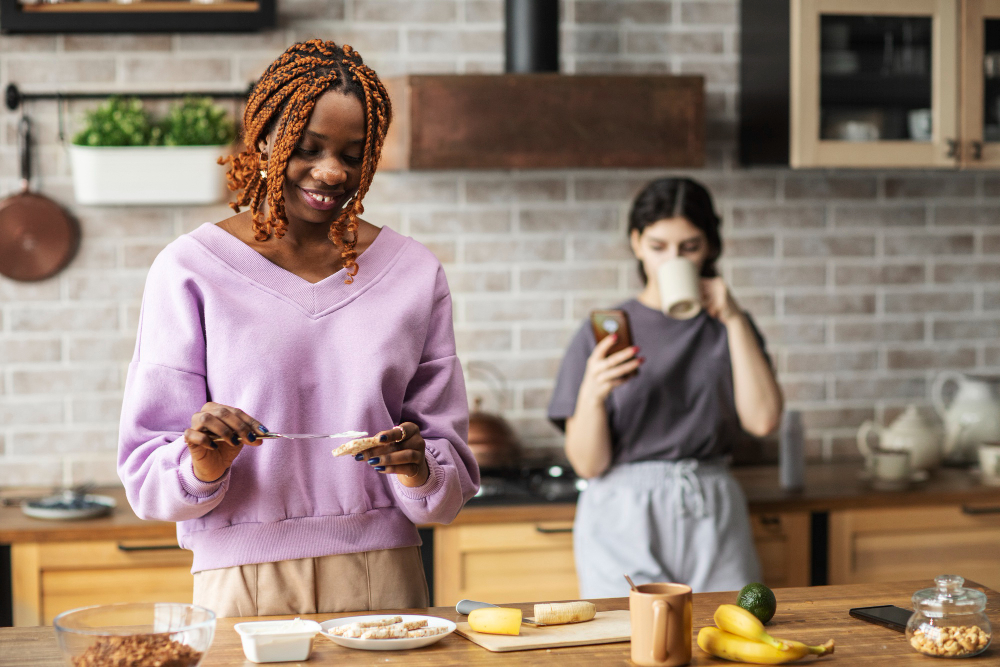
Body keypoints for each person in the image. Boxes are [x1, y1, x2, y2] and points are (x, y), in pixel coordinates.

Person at [117, 39, 479, 618]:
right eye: (307, 148)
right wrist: (204, 462)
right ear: (265, 139)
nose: (332, 172)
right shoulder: (189, 269)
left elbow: (448, 479)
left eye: (354, 154)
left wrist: (420, 467)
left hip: (384, 579)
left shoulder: (415, 273)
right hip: (240, 581)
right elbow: (146, 475)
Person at [547, 177, 783, 597]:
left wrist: (733, 318)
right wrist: (593, 393)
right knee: (628, 645)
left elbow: (763, 420)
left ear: (709, 246)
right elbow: (588, 465)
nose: (673, 259)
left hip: (710, 505)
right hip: (623, 511)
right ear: (636, 243)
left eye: (688, 247)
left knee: (730, 634)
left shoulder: (728, 326)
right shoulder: (604, 330)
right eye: (658, 246)